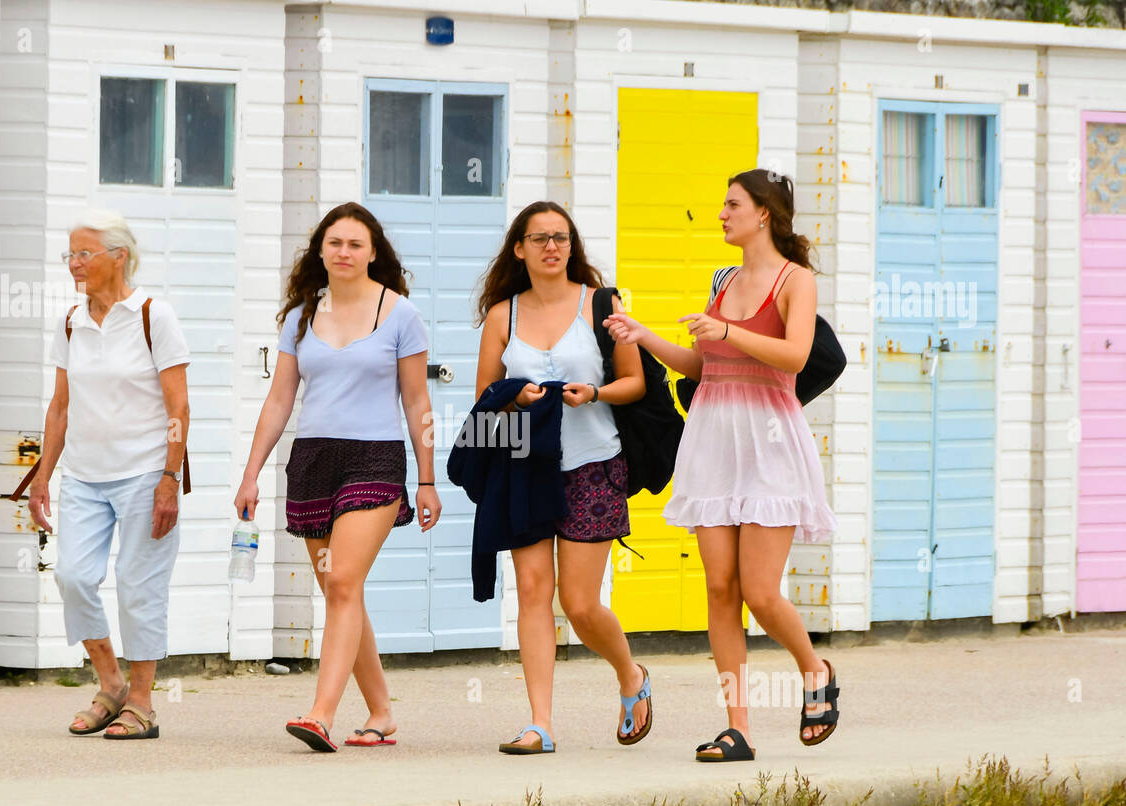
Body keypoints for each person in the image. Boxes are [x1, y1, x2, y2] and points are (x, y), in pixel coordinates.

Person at [605, 170, 840, 762]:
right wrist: (644, 335)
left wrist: (729, 329)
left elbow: (796, 354)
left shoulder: (796, 281)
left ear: (764, 214)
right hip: (714, 439)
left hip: (767, 443)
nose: (721, 214)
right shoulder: (724, 279)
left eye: (732, 204)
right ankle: (738, 728)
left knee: (760, 592)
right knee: (718, 588)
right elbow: (702, 365)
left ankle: (815, 670)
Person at [233, 202, 440, 753]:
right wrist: (251, 473)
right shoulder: (301, 316)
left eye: (355, 244)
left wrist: (426, 479)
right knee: (337, 588)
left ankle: (320, 714)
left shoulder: (400, 315)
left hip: (374, 459)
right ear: (320, 251)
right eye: (334, 243)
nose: (344, 252)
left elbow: (418, 400)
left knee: (344, 582)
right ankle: (381, 712)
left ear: (373, 252)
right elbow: (279, 400)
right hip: (313, 460)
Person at [474, 200, 652, 755]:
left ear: (572, 246)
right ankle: (540, 724)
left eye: (561, 237)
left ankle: (631, 675)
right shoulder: (503, 316)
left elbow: (635, 382)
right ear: (519, 249)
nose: (551, 246)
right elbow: (484, 399)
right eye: (539, 237)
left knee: (578, 603)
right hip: (525, 464)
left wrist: (594, 392)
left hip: (594, 462)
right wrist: (514, 396)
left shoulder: (602, 303)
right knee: (531, 589)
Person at [29, 209, 191, 740]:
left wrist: (170, 477)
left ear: (118, 256)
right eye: (70, 254)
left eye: (84, 254)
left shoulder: (152, 316)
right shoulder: (71, 321)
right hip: (83, 475)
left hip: (145, 473)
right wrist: (41, 476)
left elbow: (178, 406)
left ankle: (142, 702)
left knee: (137, 586)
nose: (74, 264)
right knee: (73, 576)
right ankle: (111, 683)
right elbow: (60, 406)